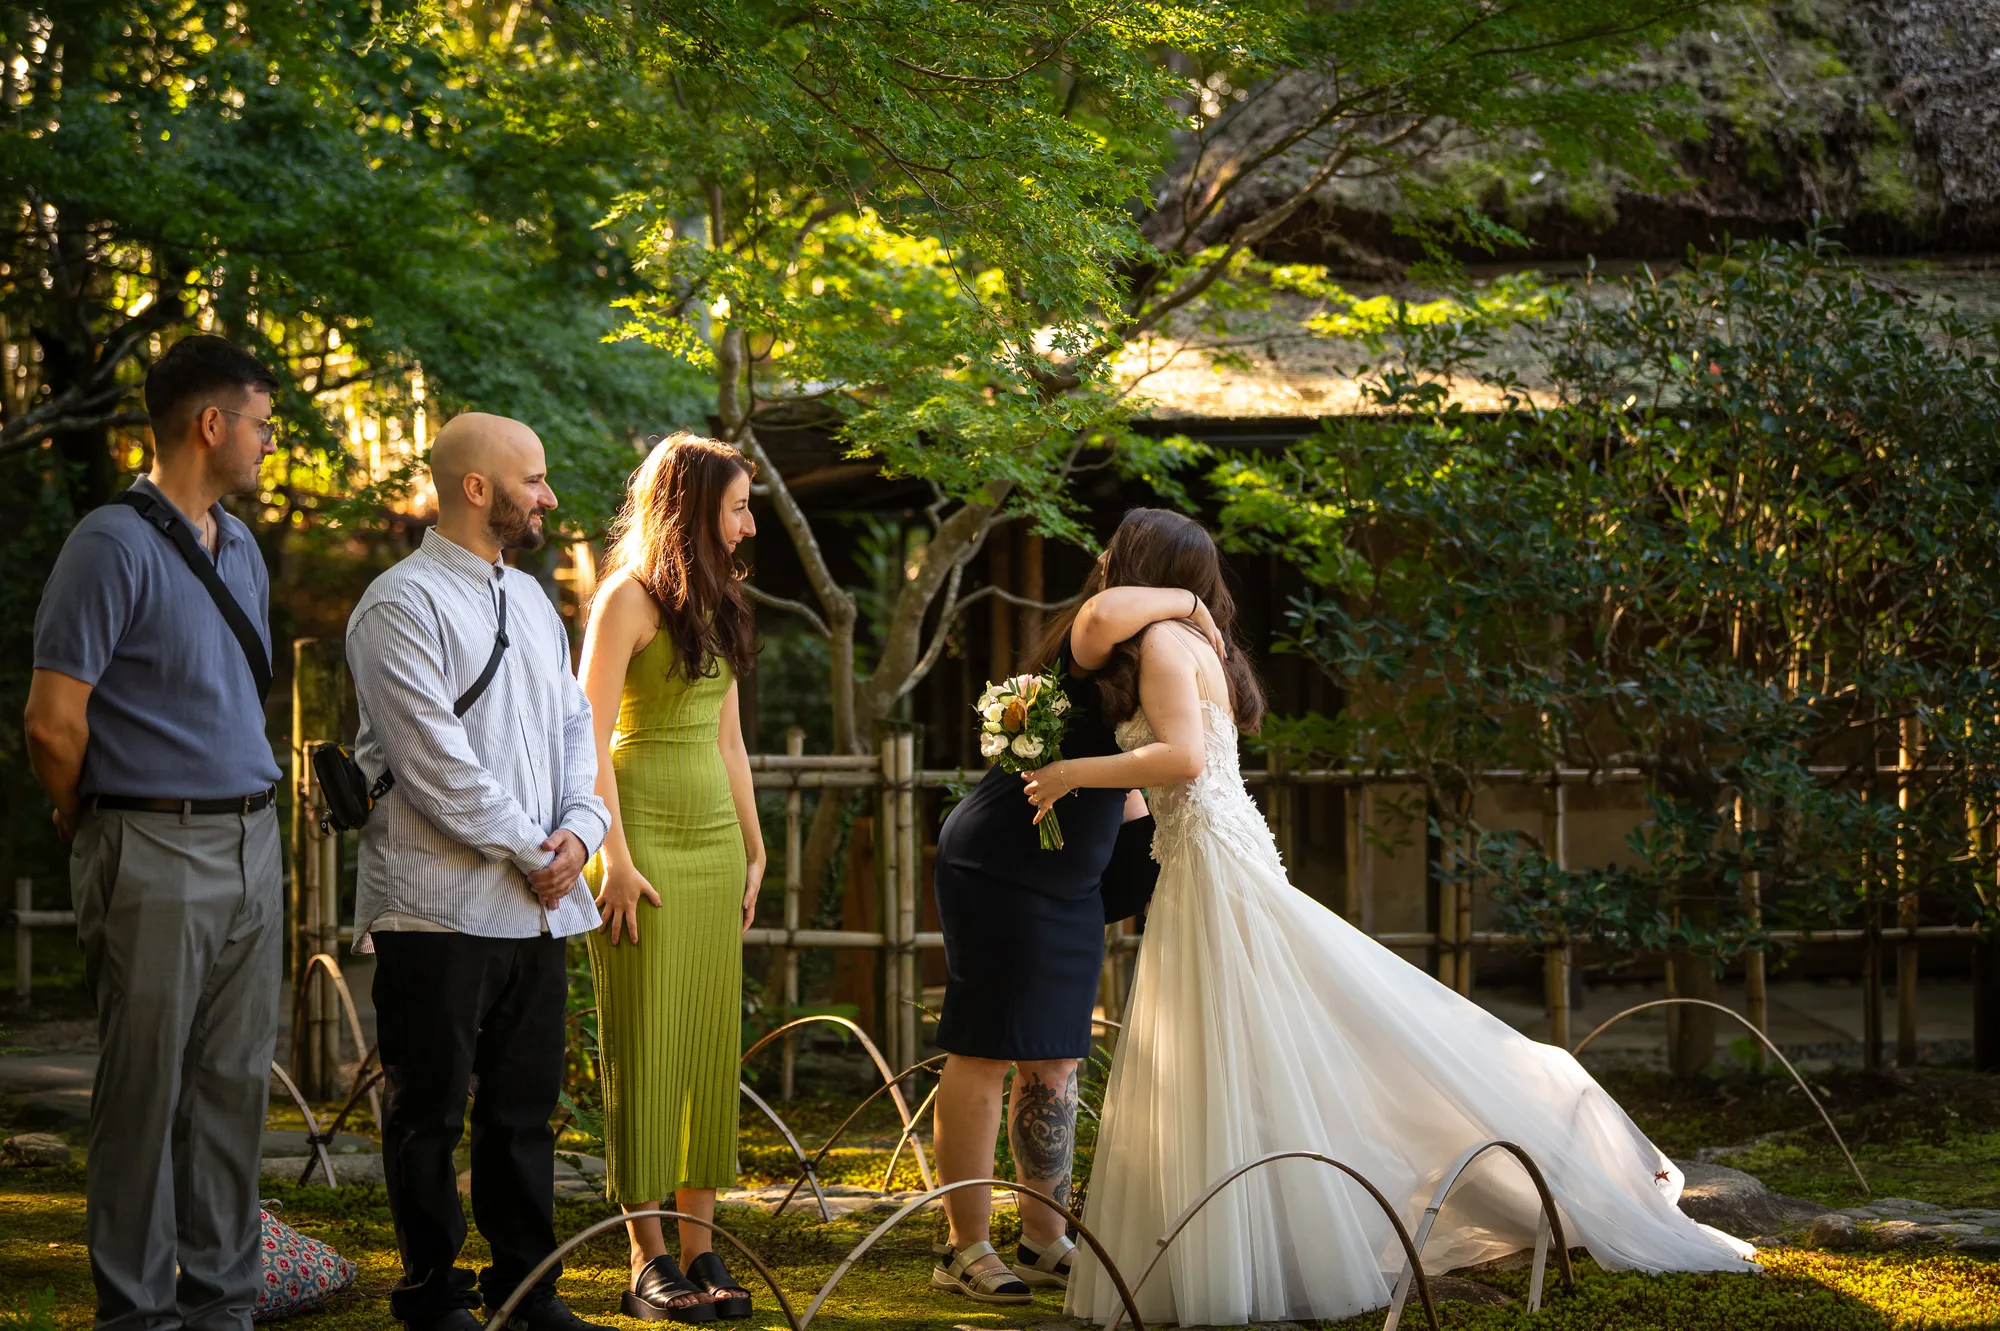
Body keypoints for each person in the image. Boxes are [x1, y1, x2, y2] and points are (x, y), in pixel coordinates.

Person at [1023, 509, 1756, 1327]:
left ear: (1146, 565)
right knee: (1247, 1046)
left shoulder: (1164, 640)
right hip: (1211, 851)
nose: (1106, 560)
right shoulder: (1198, 640)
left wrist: (1070, 772)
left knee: (1244, 1042)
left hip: (1211, 862)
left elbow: (1185, 759)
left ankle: (1252, 1248)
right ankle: (1246, 1242)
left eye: (1120, 551)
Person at [25, 334, 283, 1331]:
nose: (268, 442)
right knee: (143, 1092)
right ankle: (136, 1315)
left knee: (233, 1088)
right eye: (260, 424)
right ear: (211, 424)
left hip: (252, 841)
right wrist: (83, 807)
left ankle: (224, 1306)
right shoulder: (109, 544)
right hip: (150, 843)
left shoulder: (243, 547)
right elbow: (52, 721)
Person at [345, 413, 612, 1331]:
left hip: (537, 906)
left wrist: (581, 833)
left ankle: (527, 1291)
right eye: (533, 479)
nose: (547, 496)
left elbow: (575, 730)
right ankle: (431, 1295)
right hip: (437, 904)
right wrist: (539, 853)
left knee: (524, 1111)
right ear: (475, 488)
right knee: (427, 1111)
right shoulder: (399, 604)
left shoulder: (533, 600)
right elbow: (435, 765)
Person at [927, 516, 1227, 1307]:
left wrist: (1149, 861)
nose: (1100, 556)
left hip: (1069, 877)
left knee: (1057, 1056)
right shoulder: (1092, 632)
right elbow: (1102, 608)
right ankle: (963, 1244)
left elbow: (1130, 783)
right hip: (1001, 861)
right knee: (984, 1049)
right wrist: (1190, 604)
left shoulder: (1138, 657)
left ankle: (1043, 1235)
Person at [575, 434, 767, 1323]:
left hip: (714, 843)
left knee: (706, 1044)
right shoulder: (626, 597)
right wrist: (613, 856)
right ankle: (646, 1255)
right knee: (646, 1042)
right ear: (691, 508)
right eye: (737, 507)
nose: (749, 524)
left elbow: (730, 741)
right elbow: (585, 735)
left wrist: (755, 850)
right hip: (640, 841)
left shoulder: (721, 600)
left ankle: (701, 1246)